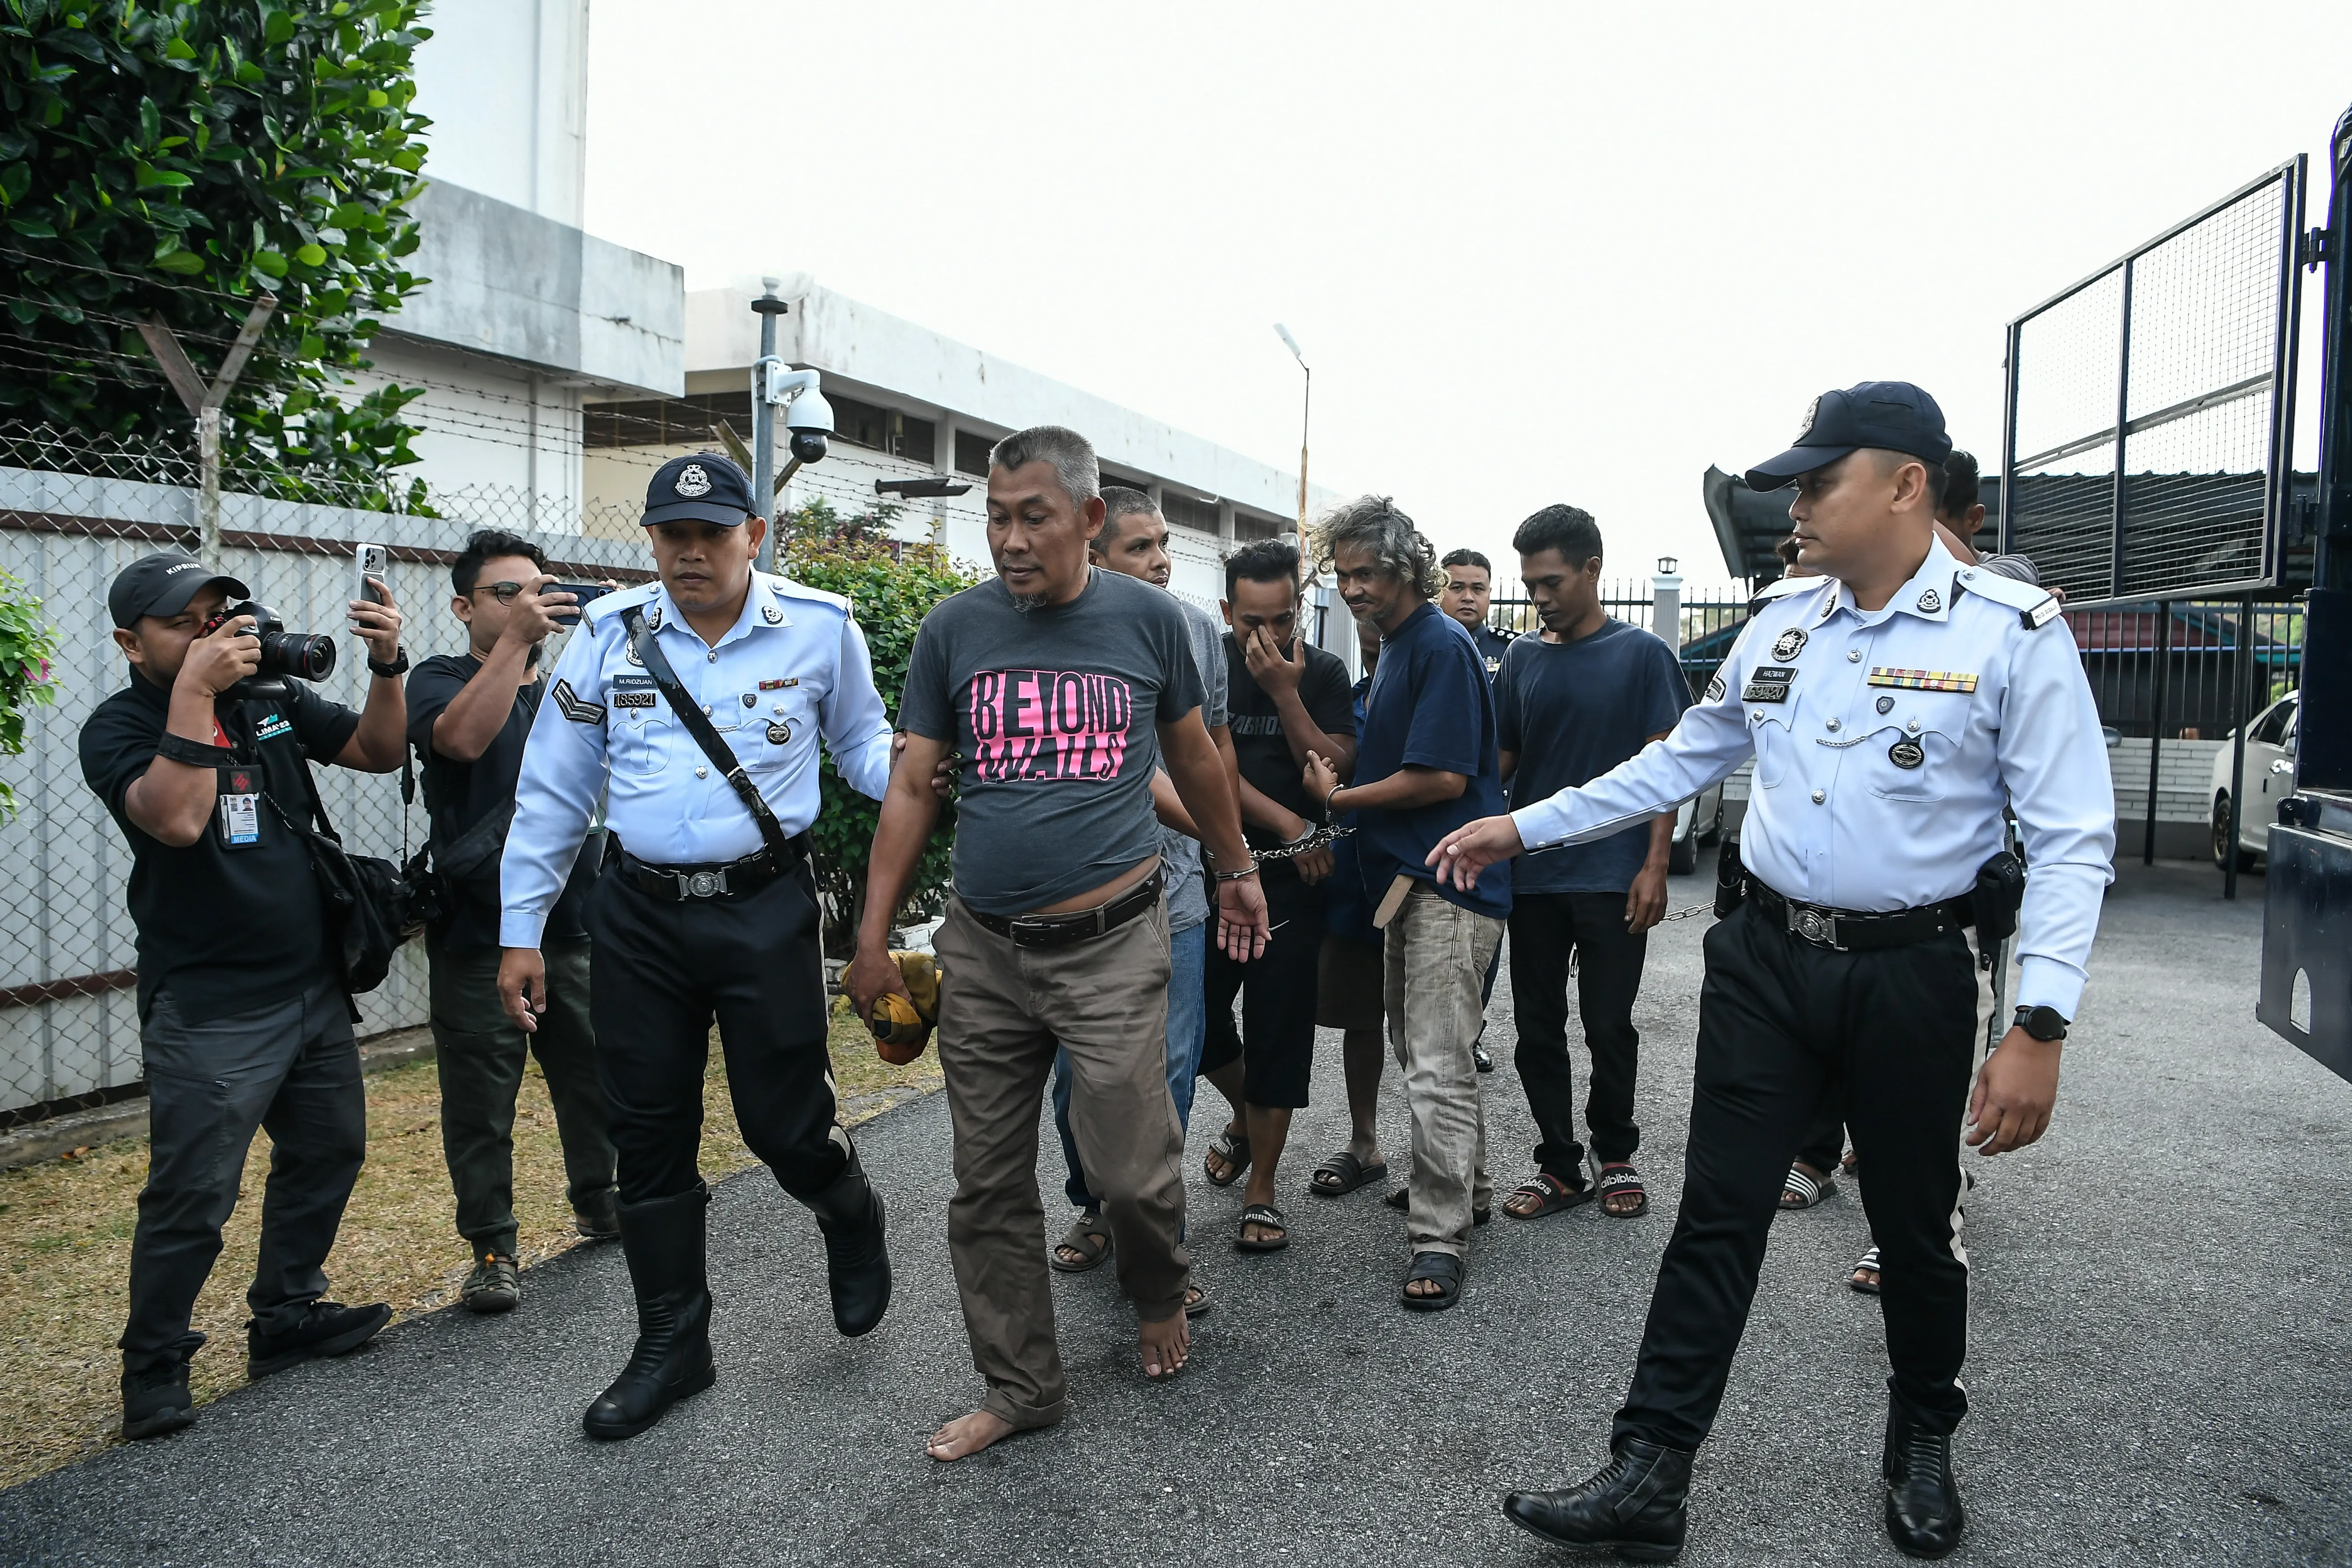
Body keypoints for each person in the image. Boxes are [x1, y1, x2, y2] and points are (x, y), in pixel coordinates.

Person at [1434, 383, 2115, 1559]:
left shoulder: (2010, 631)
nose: (1793, 505)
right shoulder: (1784, 626)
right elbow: (1678, 760)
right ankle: (1650, 1465)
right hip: (1763, 960)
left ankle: (1920, 1436)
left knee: (1912, 1226)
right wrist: (1524, 825)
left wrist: (2039, 1022)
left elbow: (2071, 837)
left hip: (1908, 973)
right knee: (1718, 1211)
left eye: (1817, 481)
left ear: (1904, 485)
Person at [849, 425, 1267, 1463]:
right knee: (986, 1185)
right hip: (984, 953)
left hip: (1113, 944)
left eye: (1033, 516)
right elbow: (910, 785)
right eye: (996, 517)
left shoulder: (1149, 623)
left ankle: (1157, 1289)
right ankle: (1022, 1386)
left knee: (1130, 1173)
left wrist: (1237, 866)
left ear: (1085, 519)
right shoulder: (955, 631)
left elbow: (1197, 761)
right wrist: (868, 941)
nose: (1010, 539)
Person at [497, 452, 897, 1441]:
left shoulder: (820, 626)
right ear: (652, 542)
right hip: (635, 916)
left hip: (763, 911)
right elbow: (551, 791)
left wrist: (934, 775)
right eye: (671, 536)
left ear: (753, 536)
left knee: (783, 1125)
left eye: (711, 534)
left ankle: (848, 1210)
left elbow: (863, 747)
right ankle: (675, 1340)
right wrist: (521, 931)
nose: (690, 553)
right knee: (648, 1133)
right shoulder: (605, 634)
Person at [81, 548, 410, 1441]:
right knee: (194, 1193)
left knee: (328, 1153)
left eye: (220, 614)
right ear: (129, 640)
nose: (212, 633)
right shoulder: (118, 728)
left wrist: (388, 665)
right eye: (184, 622)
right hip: (214, 1008)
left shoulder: (269, 701)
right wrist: (193, 691)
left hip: (312, 986)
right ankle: (153, 1363)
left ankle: (288, 1316)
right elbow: (178, 818)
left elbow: (381, 750)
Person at [1304, 498, 1511, 1313]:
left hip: (1451, 883)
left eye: (1368, 573)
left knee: (1432, 1060)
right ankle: (1470, 1188)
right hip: (1413, 880)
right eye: (1344, 573)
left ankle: (1439, 1235)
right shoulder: (1399, 645)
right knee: (1431, 1049)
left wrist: (1344, 798)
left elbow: (1445, 779)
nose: (1353, 588)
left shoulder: (1437, 645)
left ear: (1404, 569)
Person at [407, 530, 617, 1314]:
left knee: (593, 1077)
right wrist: (517, 650)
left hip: (574, 924)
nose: (531, 601)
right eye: (508, 593)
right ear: (464, 607)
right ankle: (492, 1246)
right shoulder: (439, 680)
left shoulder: (571, 687)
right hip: (477, 935)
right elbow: (462, 739)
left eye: (540, 588)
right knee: (479, 1101)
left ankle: (602, 1199)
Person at [1046, 487, 1233, 1302]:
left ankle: (1157, 1242)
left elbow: (1212, 745)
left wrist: (1228, 857)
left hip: (1179, 888)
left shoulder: (1192, 629)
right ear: (1095, 552)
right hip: (1077, 895)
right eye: (1140, 548)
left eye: (1164, 545)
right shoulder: (1047, 632)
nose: (1161, 561)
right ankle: (1098, 1204)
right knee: (1075, 1081)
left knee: (1171, 1070)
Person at [1491, 504, 1687, 1226]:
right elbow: (1501, 765)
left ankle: (1615, 1153)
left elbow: (1666, 769)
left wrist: (1655, 863)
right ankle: (1557, 1163)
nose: (1539, 597)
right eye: (1530, 585)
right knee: (1535, 1027)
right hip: (1535, 878)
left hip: (1614, 877)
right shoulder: (1519, 660)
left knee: (1609, 1024)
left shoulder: (1643, 656)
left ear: (1592, 569)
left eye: (1551, 581)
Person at [1196, 538, 1358, 1250]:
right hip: (1219, 873)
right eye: (1250, 621)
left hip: (1298, 880)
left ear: (1299, 608)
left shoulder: (1321, 670)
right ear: (1227, 608)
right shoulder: (1207, 665)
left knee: (1278, 1029)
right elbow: (1199, 769)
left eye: (1282, 619)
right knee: (1195, 1018)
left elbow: (1335, 765)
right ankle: (1241, 1112)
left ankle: (1261, 1188)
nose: (1266, 637)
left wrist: (1286, 690)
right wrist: (1288, 817)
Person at [1307, 616, 1392, 1200]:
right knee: (1360, 1019)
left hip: (1427, 881)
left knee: (1441, 1036)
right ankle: (1365, 1144)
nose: (1372, 624)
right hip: (1352, 889)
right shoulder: (1352, 701)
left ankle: (1454, 1170)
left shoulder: (1445, 688)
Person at [1439, 547, 1514, 1073]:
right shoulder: (1424, 644)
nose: (1468, 596)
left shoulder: (1510, 654)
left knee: (1484, 928)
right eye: (1458, 586)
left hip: (1490, 810)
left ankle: (1472, 1028)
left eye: (1479, 588)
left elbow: (1515, 734)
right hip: (1433, 808)